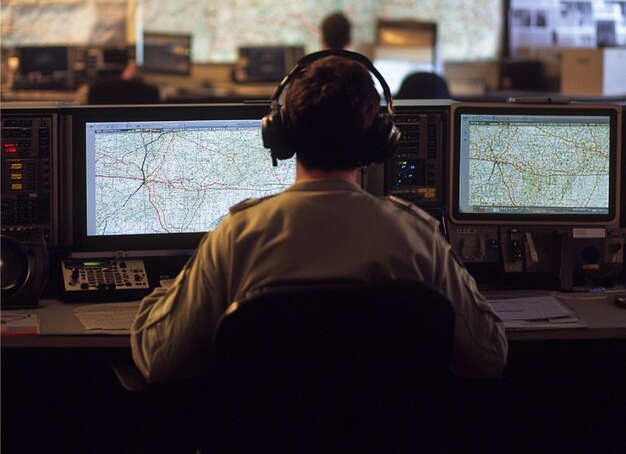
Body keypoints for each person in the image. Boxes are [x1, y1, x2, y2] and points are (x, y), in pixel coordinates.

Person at [131, 52, 507, 384]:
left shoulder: (236, 236)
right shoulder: (417, 236)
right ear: (379, 139)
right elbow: (488, 357)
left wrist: (169, 290)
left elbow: (161, 360)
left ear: (281, 134)